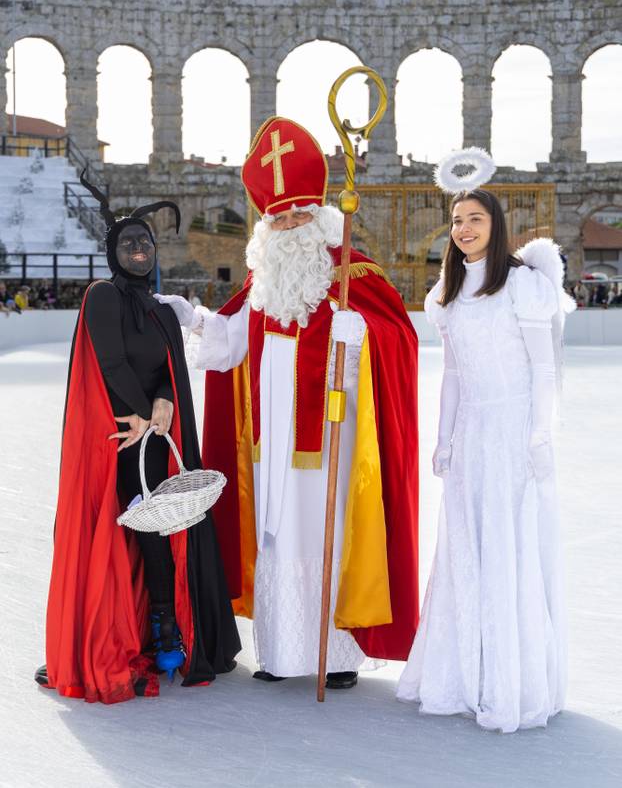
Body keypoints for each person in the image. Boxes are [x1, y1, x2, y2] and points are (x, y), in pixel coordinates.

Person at [157, 116, 419, 687]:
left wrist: (361, 333)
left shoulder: (353, 274)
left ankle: (337, 657)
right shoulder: (263, 284)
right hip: (271, 442)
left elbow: (399, 338)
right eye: (278, 218)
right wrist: (195, 320)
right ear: (265, 226)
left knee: (328, 532)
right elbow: (231, 343)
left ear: (320, 213)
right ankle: (279, 653)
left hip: (331, 437)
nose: (289, 224)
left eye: (299, 214)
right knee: (275, 532)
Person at [36, 172, 240, 703]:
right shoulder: (103, 296)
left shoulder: (160, 307)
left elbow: (169, 369)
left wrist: (165, 402)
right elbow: (111, 364)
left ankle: (166, 626)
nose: (138, 250)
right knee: (132, 530)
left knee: (161, 529)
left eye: (145, 242)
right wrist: (146, 415)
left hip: (153, 433)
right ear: (113, 252)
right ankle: (128, 634)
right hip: (122, 437)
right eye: (128, 243)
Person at [397, 149, 574, 732]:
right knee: (467, 546)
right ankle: (464, 674)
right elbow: (452, 372)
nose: (464, 229)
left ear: (495, 226)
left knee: (507, 545)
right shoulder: (446, 295)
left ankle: (509, 681)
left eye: (475, 218)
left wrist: (539, 435)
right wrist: (444, 438)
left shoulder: (522, 285)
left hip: (512, 430)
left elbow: (542, 368)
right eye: (456, 220)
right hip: (472, 434)